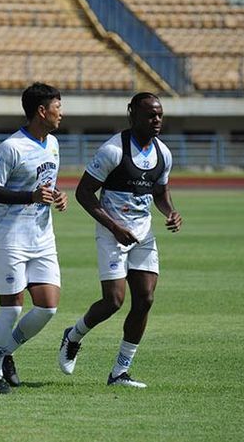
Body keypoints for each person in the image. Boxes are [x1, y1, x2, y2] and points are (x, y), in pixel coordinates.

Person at [58, 92, 182, 388]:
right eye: (150, 115)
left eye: (160, 115)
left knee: (145, 299)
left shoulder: (163, 153)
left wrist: (171, 211)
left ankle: (119, 372)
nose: (156, 121)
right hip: (112, 232)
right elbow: (83, 193)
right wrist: (114, 227)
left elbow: (160, 194)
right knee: (114, 301)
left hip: (143, 235)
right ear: (132, 114)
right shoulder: (113, 150)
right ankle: (72, 336)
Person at [0, 82, 68, 394]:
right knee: (12, 309)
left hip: (43, 237)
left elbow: (43, 184)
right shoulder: (11, 147)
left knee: (47, 307)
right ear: (41, 111)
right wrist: (30, 196)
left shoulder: (53, 143)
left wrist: (56, 195)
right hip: (11, 238)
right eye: (58, 107)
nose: (62, 113)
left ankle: (6, 351)